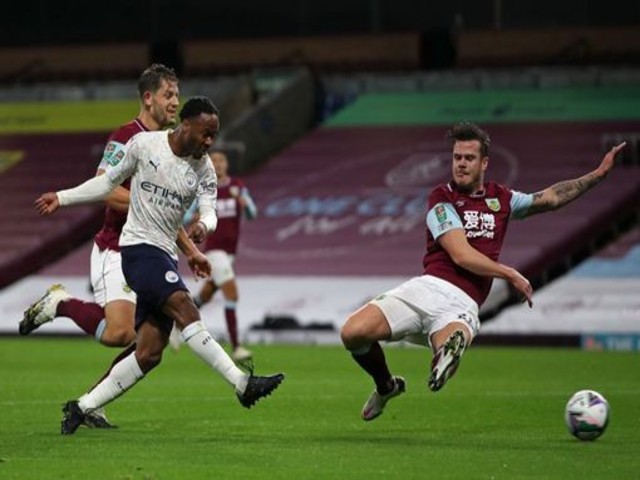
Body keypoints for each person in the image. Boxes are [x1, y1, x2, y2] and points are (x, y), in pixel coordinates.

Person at [340, 121, 626, 422]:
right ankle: (386, 386)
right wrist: (510, 273)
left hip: (463, 301)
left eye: (469, 158)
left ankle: (447, 355)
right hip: (427, 288)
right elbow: (461, 255)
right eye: (457, 157)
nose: (461, 164)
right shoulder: (441, 198)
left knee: (451, 343)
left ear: (484, 162)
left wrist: (598, 175)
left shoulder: (502, 199)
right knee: (352, 333)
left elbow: (550, 198)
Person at [34, 96, 285, 435]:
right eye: (205, 133)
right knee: (184, 306)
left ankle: (82, 406)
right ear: (186, 125)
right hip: (138, 249)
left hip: (165, 253)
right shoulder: (143, 145)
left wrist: (202, 228)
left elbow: (209, 210)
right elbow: (107, 184)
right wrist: (62, 197)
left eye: (214, 135)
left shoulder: (204, 168)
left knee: (150, 352)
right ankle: (242, 383)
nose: (209, 142)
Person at [19, 63, 182, 430]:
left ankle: (90, 403)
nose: (175, 102)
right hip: (119, 249)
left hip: (156, 251)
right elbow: (104, 188)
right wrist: (150, 199)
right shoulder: (126, 135)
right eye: (168, 95)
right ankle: (60, 303)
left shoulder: (170, 145)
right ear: (148, 97)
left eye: (177, 95)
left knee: (151, 348)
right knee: (120, 334)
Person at [178, 150, 257, 362]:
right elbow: (185, 217)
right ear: (209, 166)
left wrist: (245, 204)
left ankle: (177, 323)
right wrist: (193, 216)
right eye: (214, 161)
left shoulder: (237, 187)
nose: (218, 164)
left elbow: (252, 212)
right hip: (214, 252)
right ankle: (237, 347)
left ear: (227, 164)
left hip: (230, 254)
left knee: (204, 296)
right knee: (232, 295)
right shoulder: (205, 190)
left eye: (222, 160)